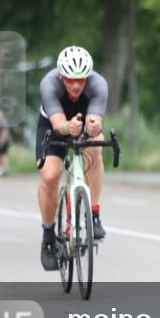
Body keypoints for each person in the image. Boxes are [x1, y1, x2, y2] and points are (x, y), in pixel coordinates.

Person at [35, 46, 109, 271]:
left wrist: (94, 127)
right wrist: (69, 127)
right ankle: (48, 236)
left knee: (95, 149)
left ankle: (94, 214)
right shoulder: (49, 84)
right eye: (70, 80)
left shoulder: (98, 84)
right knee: (50, 177)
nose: (76, 85)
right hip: (53, 125)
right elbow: (59, 125)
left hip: (83, 124)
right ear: (60, 76)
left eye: (81, 80)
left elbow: (96, 122)